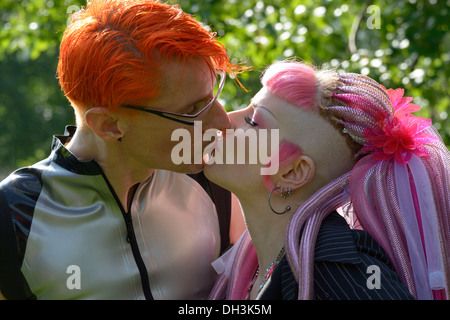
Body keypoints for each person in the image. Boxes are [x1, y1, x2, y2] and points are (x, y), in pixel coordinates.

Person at [0, 0, 247, 300]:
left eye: (213, 95)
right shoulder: (13, 213)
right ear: (109, 125)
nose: (222, 121)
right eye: (193, 110)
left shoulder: (217, 180)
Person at [205, 60, 449, 300]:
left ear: (293, 173)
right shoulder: (260, 263)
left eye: (253, 122)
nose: (227, 118)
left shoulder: (334, 264)